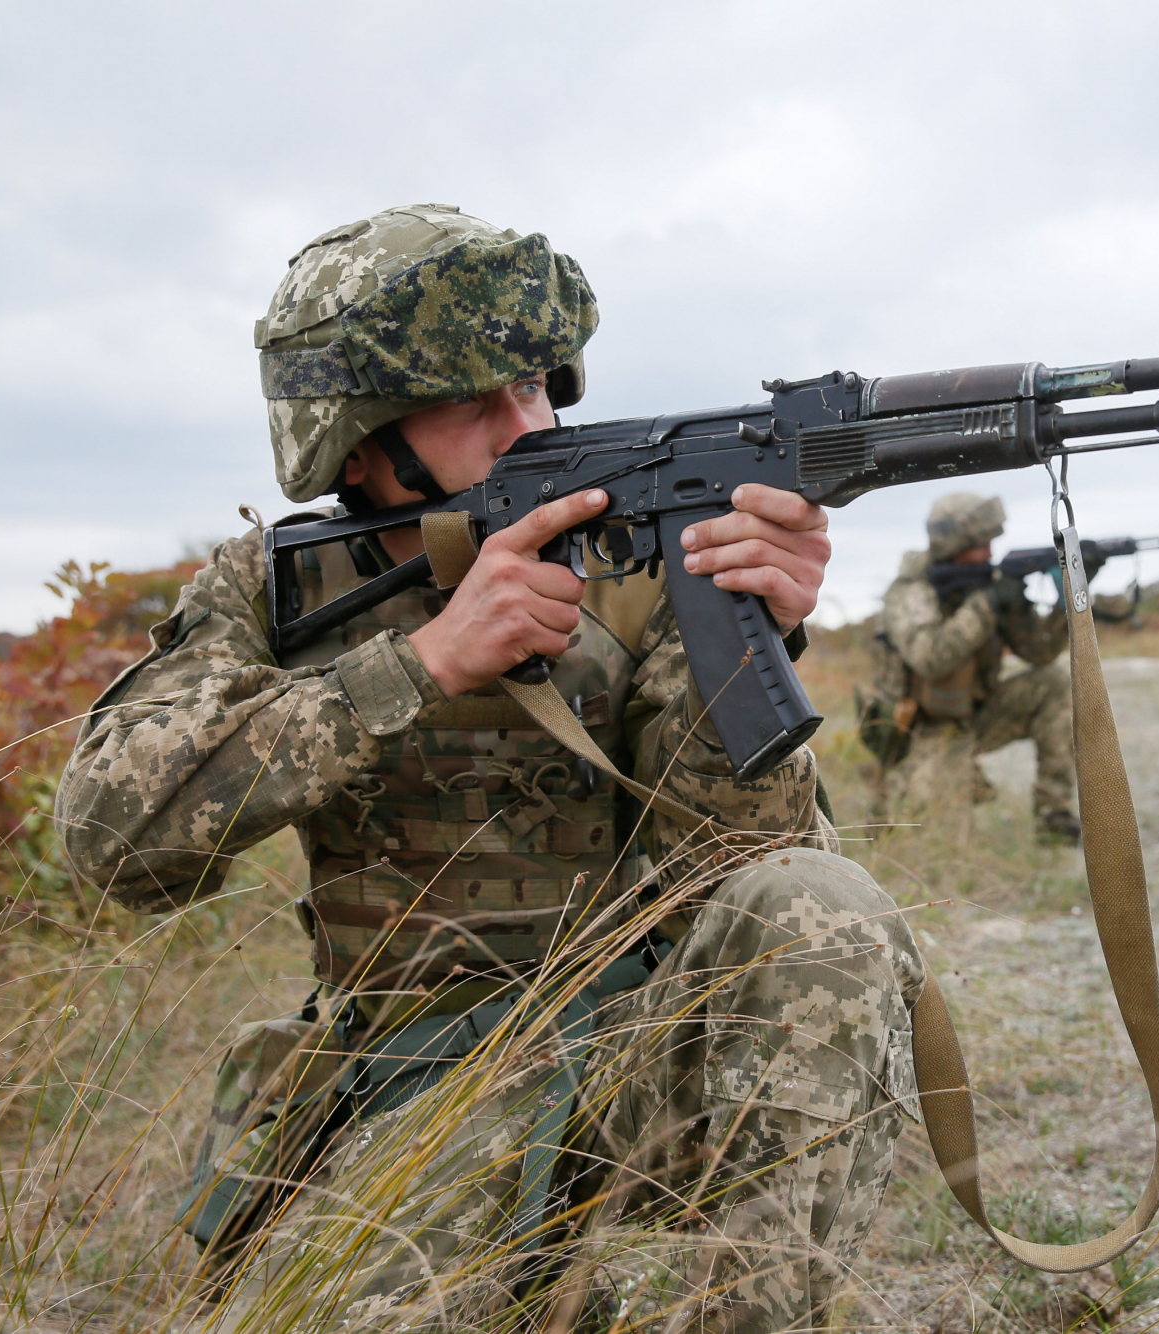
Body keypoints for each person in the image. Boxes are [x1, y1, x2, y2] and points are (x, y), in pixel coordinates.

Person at [53, 205, 925, 1332]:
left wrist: (754, 617)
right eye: (477, 401)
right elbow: (109, 839)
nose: (532, 423)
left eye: (540, 385)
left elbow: (737, 860)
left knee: (819, 904)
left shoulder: (641, 553)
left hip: (638, 1049)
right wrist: (417, 664)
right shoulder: (269, 591)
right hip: (413, 1077)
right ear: (355, 443)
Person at [864, 492, 1081, 844]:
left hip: (977, 716)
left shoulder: (985, 586)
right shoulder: (911, 591)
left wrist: (1066, 596)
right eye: (981, 544)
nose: (990, 554)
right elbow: (930, 657)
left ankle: (1053, 817)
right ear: (953, 543)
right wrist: (987, 604)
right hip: (923, 731)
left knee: (1053, 683)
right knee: (934, 849)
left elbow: (1038, 653)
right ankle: (894, 794)